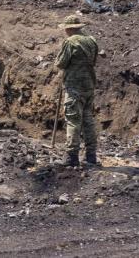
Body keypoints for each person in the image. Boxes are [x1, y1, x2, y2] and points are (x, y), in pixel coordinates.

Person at [56, 13, 99, 167]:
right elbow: (93, 61)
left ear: (69, 29)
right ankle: (91, 156)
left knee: (73, 120)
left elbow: (61, 63)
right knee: (88, 120)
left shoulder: (70, 42)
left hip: (74, 86)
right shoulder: (91, 41)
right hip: (89, 85)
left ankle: (71, 157)